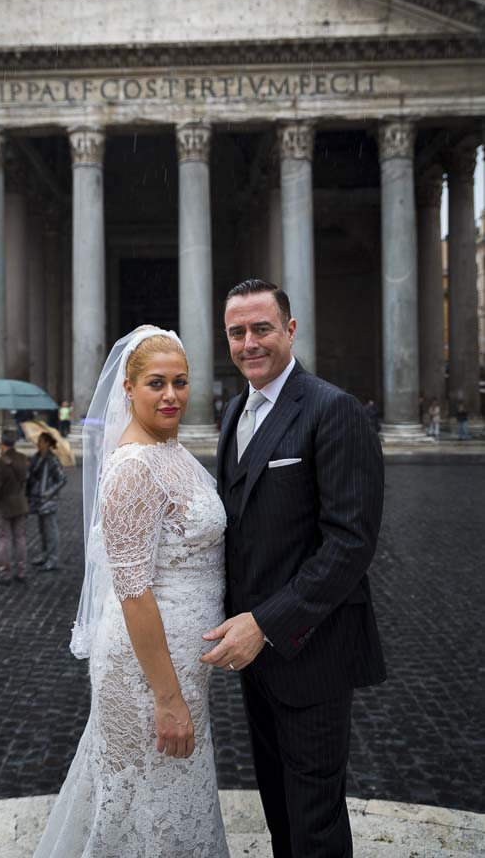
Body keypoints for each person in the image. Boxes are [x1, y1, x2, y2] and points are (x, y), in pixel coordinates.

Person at [202, 278, 386, 858]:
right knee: (279, 808)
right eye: (237, 332)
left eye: (261, 328)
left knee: (315, 823)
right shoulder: (235, 410)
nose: (249, 342)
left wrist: (266, 623)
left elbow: (350, 544)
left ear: (290, 329)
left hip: (313, 650)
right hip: (258, 658)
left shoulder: (336, 410)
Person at [34, 327, 229, 857]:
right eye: (156, 383)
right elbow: (134, 590)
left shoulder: (171, 450)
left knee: (166, 793)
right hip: (146, 669)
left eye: (181, 382)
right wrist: (168, 698)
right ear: (129, 387)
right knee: (135, 801)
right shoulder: (134, 467)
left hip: (184, 660)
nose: (171, 395)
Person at [0, 429, 29, 584]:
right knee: (20, 538)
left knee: (4, 540)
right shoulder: (23, 458)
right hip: (20, 503)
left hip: (4, 506)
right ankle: (21, 571)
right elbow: (25, 479)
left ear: (2, 442)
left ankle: (4, 573)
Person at [27, 432, 67, 571]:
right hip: (37, 500)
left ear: (48, 443)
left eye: (41, 441)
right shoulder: (36, 457)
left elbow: (62, 479)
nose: (38, 443)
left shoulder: (52, 460)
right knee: (42, 530)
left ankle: (53, 559)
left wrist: (49, 492)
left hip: (48, 501)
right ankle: (44, 555)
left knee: (50, 530)